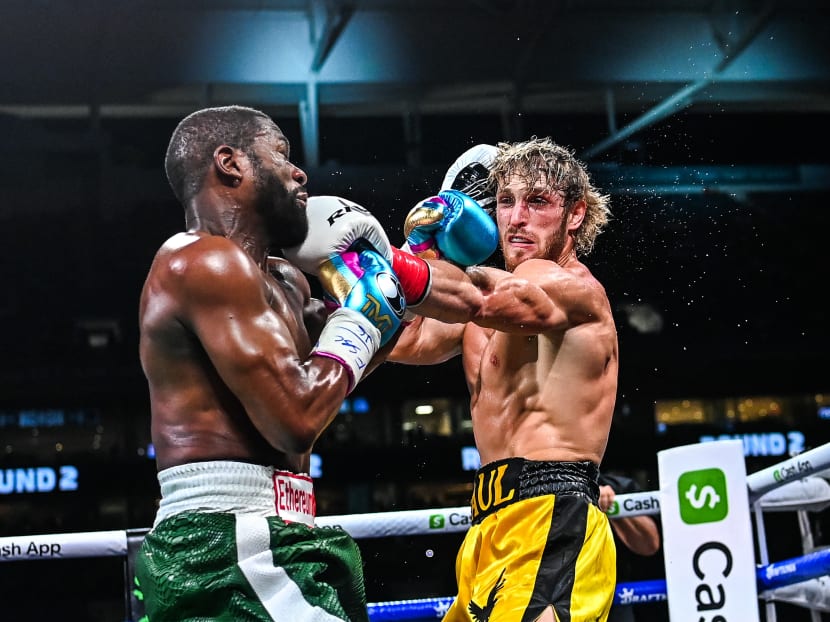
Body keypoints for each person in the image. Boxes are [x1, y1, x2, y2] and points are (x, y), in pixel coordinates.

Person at [134, 105, 408, 622]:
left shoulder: (285, 281)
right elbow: (296, 419)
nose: (300, 172)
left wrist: (400, 275)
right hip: (223, 543)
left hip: (276, 531)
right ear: (230, 163)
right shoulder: (199, 259)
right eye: (281, 154)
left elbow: (336, 371)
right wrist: (363, 318)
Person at [389, 137, 619, 621]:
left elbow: (514, 302)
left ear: (574, 215)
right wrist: (420, 250)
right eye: (505, 201)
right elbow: (404, 341)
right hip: (487, 528)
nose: (516, 218)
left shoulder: (570, 286)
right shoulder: (476, 307)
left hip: (551, 517)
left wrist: (389, 258)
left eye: (537, 202)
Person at [598, 472, 663, 622]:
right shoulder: (540, 486)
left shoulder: (617, 486)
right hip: (557, 592)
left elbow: (650, 545)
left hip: (612, 597)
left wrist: (611, 506)